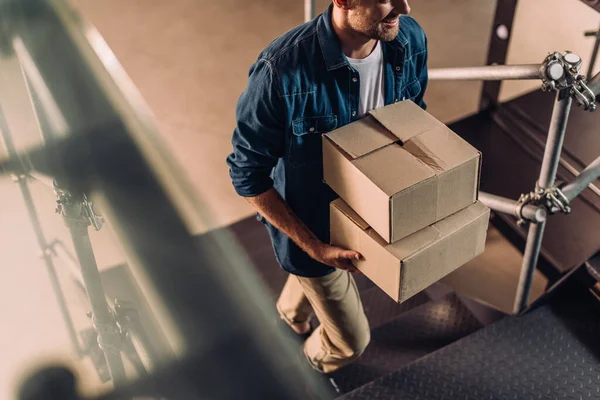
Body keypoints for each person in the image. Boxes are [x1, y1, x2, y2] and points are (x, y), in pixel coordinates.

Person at [226, 0, 428, 376]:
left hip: (367, 217)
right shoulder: (281, 71)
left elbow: (413, 117)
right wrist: (314, 247)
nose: (406, 7)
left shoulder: (409, 40)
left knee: (310, 287)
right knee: (350, 343)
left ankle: (289, 318)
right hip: (314, 229)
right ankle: (301, 371)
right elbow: (246, 174)